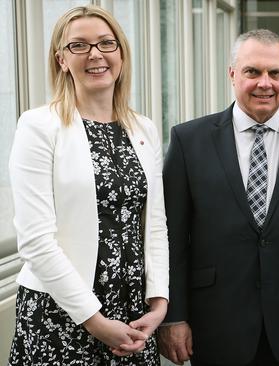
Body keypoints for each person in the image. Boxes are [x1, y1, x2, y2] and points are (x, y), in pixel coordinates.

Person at [158, 29, 279, 366]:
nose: (265, 83)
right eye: (253, 71)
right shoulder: (189, 141)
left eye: (275, 73)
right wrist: (174, 316)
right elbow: (172, 237)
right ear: (233, 74)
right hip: (215, 321)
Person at [7, 5, 169, 365]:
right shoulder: (38, 126)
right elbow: (35, 241)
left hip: (132, 313)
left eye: (106, 43)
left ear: (121, 54)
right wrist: (94, 321)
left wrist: (159, 302)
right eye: (79, 46)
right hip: (61, 314)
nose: (95, 54)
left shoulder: (144, 129)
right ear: (61, 59)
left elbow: (154, 224)